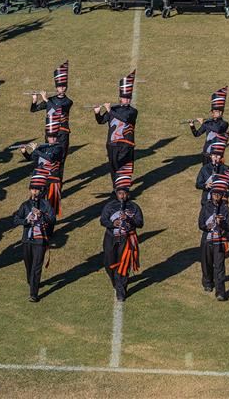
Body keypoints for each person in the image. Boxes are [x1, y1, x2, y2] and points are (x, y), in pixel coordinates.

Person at [100, 165, 143, 302]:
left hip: (127, 239)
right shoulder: (109, 206)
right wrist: (113, 224)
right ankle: (116, 283)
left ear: (128, 194)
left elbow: (140, 223)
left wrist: (129, 219)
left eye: (124, 193)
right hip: (111, 237)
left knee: (124, 264)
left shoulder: (134, 207)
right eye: (119, 193)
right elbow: (103, 220)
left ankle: (121, 290)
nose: (122, 196)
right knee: (109, 263)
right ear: (116, 193)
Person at [12, 168, 55, 302]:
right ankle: (32, 282)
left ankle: (33, 294)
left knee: (37, 267)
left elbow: (53, 220)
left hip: (40, 240)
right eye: (33, 189)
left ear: (41, 191)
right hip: (27, 240)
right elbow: (15, 219)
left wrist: (42, 215)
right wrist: (26, 221)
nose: (34, 192)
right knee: (28, 266)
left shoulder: (46, 204)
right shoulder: (25, 205)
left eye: (37, 189)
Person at [94, 71, 137, 179]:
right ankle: (115, 188)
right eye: (125, 98)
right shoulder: (114, 109)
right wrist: (97, 113)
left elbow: (125, 119)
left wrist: (109, 110)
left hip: (125, 144)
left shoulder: (133, 111)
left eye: (128, 98)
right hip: (112, 144)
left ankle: (123, 189)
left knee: (123, 167)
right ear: (120, 98)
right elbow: (101, 121)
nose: (127, 100)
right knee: (113, 168)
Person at [20, 115, 66, 217]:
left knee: (51, 204)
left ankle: (50, 223)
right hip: (41, 178)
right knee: (36, 200)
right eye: (50, 137)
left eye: (54, 137)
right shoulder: (43, 147)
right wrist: (25, 152)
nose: (52, 139)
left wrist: (36, 150)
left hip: (52, 178)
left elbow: (51, 159)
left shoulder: (59, 148)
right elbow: (32, 159)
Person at [198, 173, 229, 301]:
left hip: (220, 241)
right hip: (207, 239)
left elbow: (228, 227)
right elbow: (200, 224)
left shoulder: (226, 210)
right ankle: (207, 283)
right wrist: (209, 226)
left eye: (218, 194)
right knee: (206, 263)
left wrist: (221, 224)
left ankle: (220, 292)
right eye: (214, 194)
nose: (215, 196)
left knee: (219, 267)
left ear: (222, 196)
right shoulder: (206, 207)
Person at [30, 61, 73, 159]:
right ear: (56, 88)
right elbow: (34, 110)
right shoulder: (51, 99)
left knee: (61, 157)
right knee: (48, 155)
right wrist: (34, 100)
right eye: (59, 86)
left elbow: (58, 109)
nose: (62, 88)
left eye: (64, 86)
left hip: (62, 133)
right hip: (50, 132)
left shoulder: (68, 101)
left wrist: (45, 99)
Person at [189, 86, 229, 165]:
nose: (216, 113)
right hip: (206, 153)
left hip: (216, 155)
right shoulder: (208, 123)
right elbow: (196, 134)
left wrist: (203, 123)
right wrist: (192, 125)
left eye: (218, 111)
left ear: (221, 113)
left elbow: (218, 129)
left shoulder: (224, 123)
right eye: (214, 111)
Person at [195, 135, 229, 206]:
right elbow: (198, 184)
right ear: (211, 156)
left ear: (221, 157)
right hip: (207, 200)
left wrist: (221, 183)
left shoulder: (226, 168)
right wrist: (206, 185)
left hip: (222, 201)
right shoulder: (205, 168)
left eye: (218, 156)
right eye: (214, 156)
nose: (215, 158)